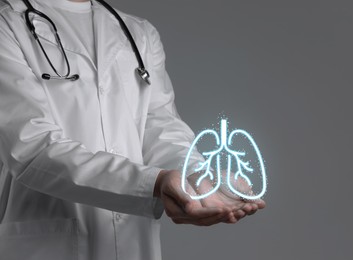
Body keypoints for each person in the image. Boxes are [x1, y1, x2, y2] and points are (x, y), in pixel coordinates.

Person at [0, 0, 265, 259]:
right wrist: (154, 182)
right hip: (44, 242)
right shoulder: (7, 24)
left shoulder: (137, 32)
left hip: (132, 243)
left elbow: (160, 126)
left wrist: (198, 178)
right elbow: (30, 146)